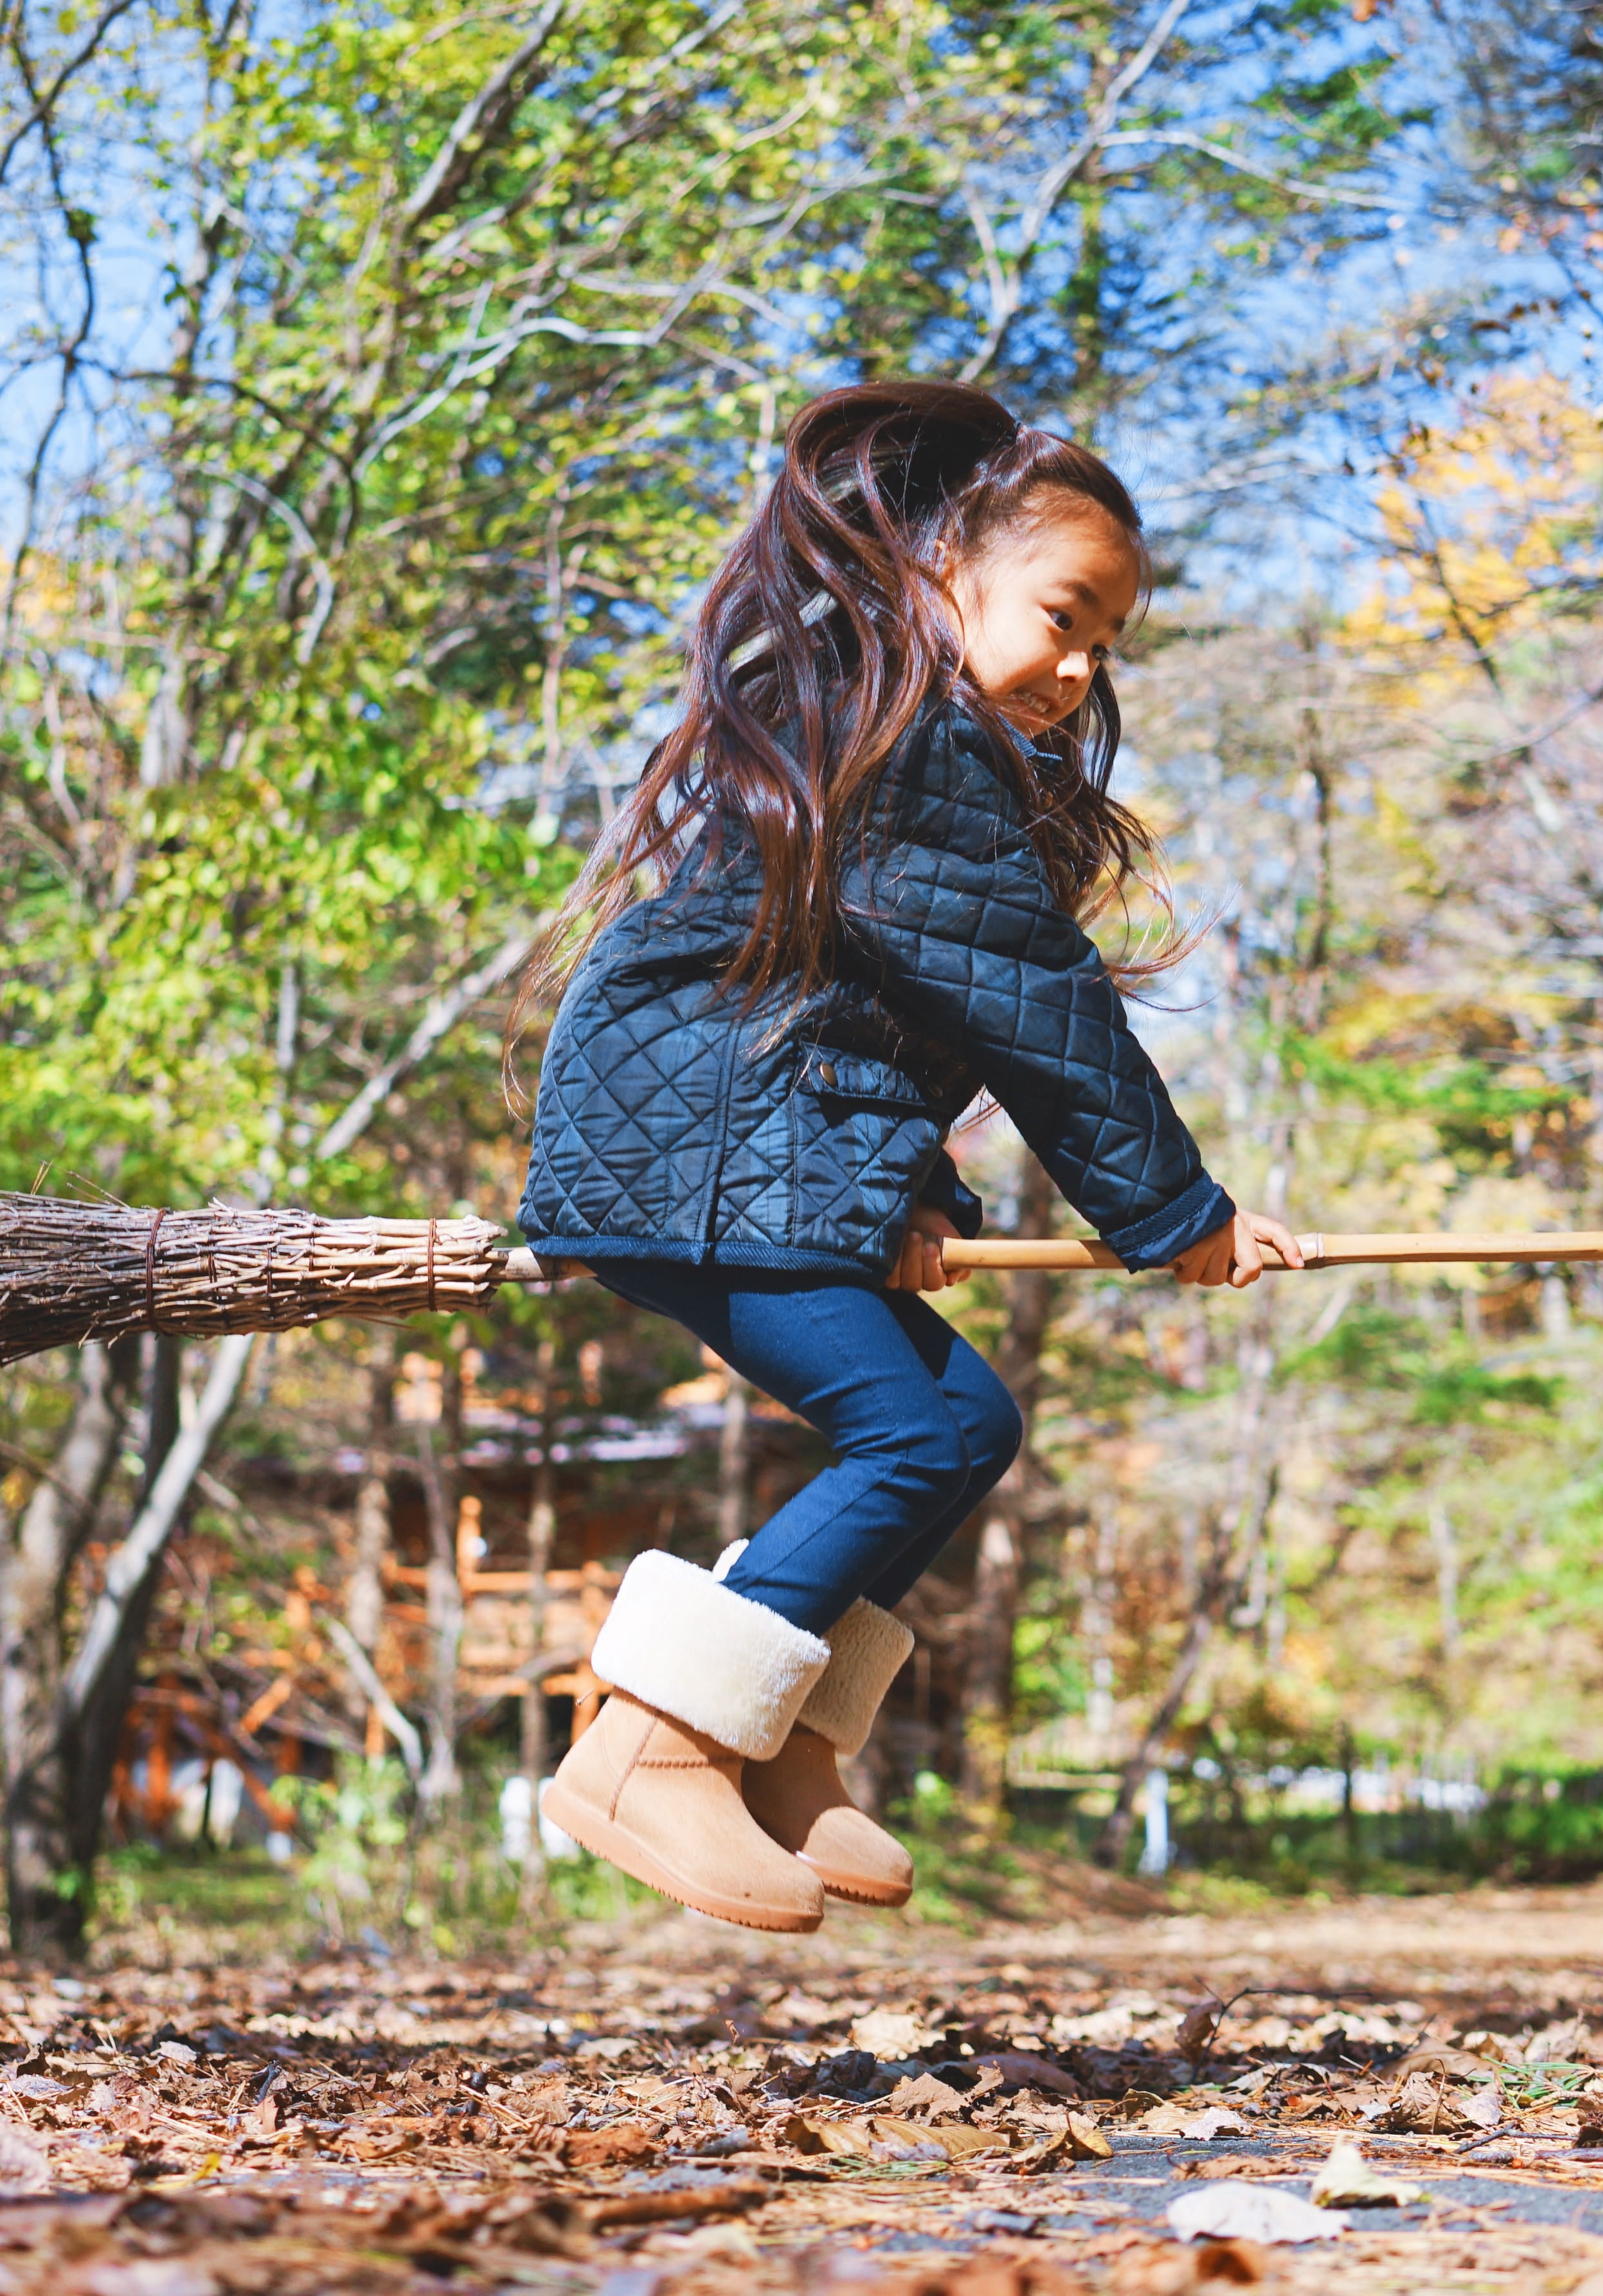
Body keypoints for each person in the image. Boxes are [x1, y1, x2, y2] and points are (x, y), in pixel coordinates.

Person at [514, 379, 1302, 1932]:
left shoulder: (902, 745)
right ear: (941, 572)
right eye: (1063, 616)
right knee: (913, 1435)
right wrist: (1178, 1213)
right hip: (695, 1156)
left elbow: (873, 1014)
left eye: (1105, 647)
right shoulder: (913, 744)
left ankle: (787, 1736)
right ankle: (655, 1743)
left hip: (758, 1141)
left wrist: (915, 1195)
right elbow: (1031, 1002)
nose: (1080, 670)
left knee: (968, 1417)